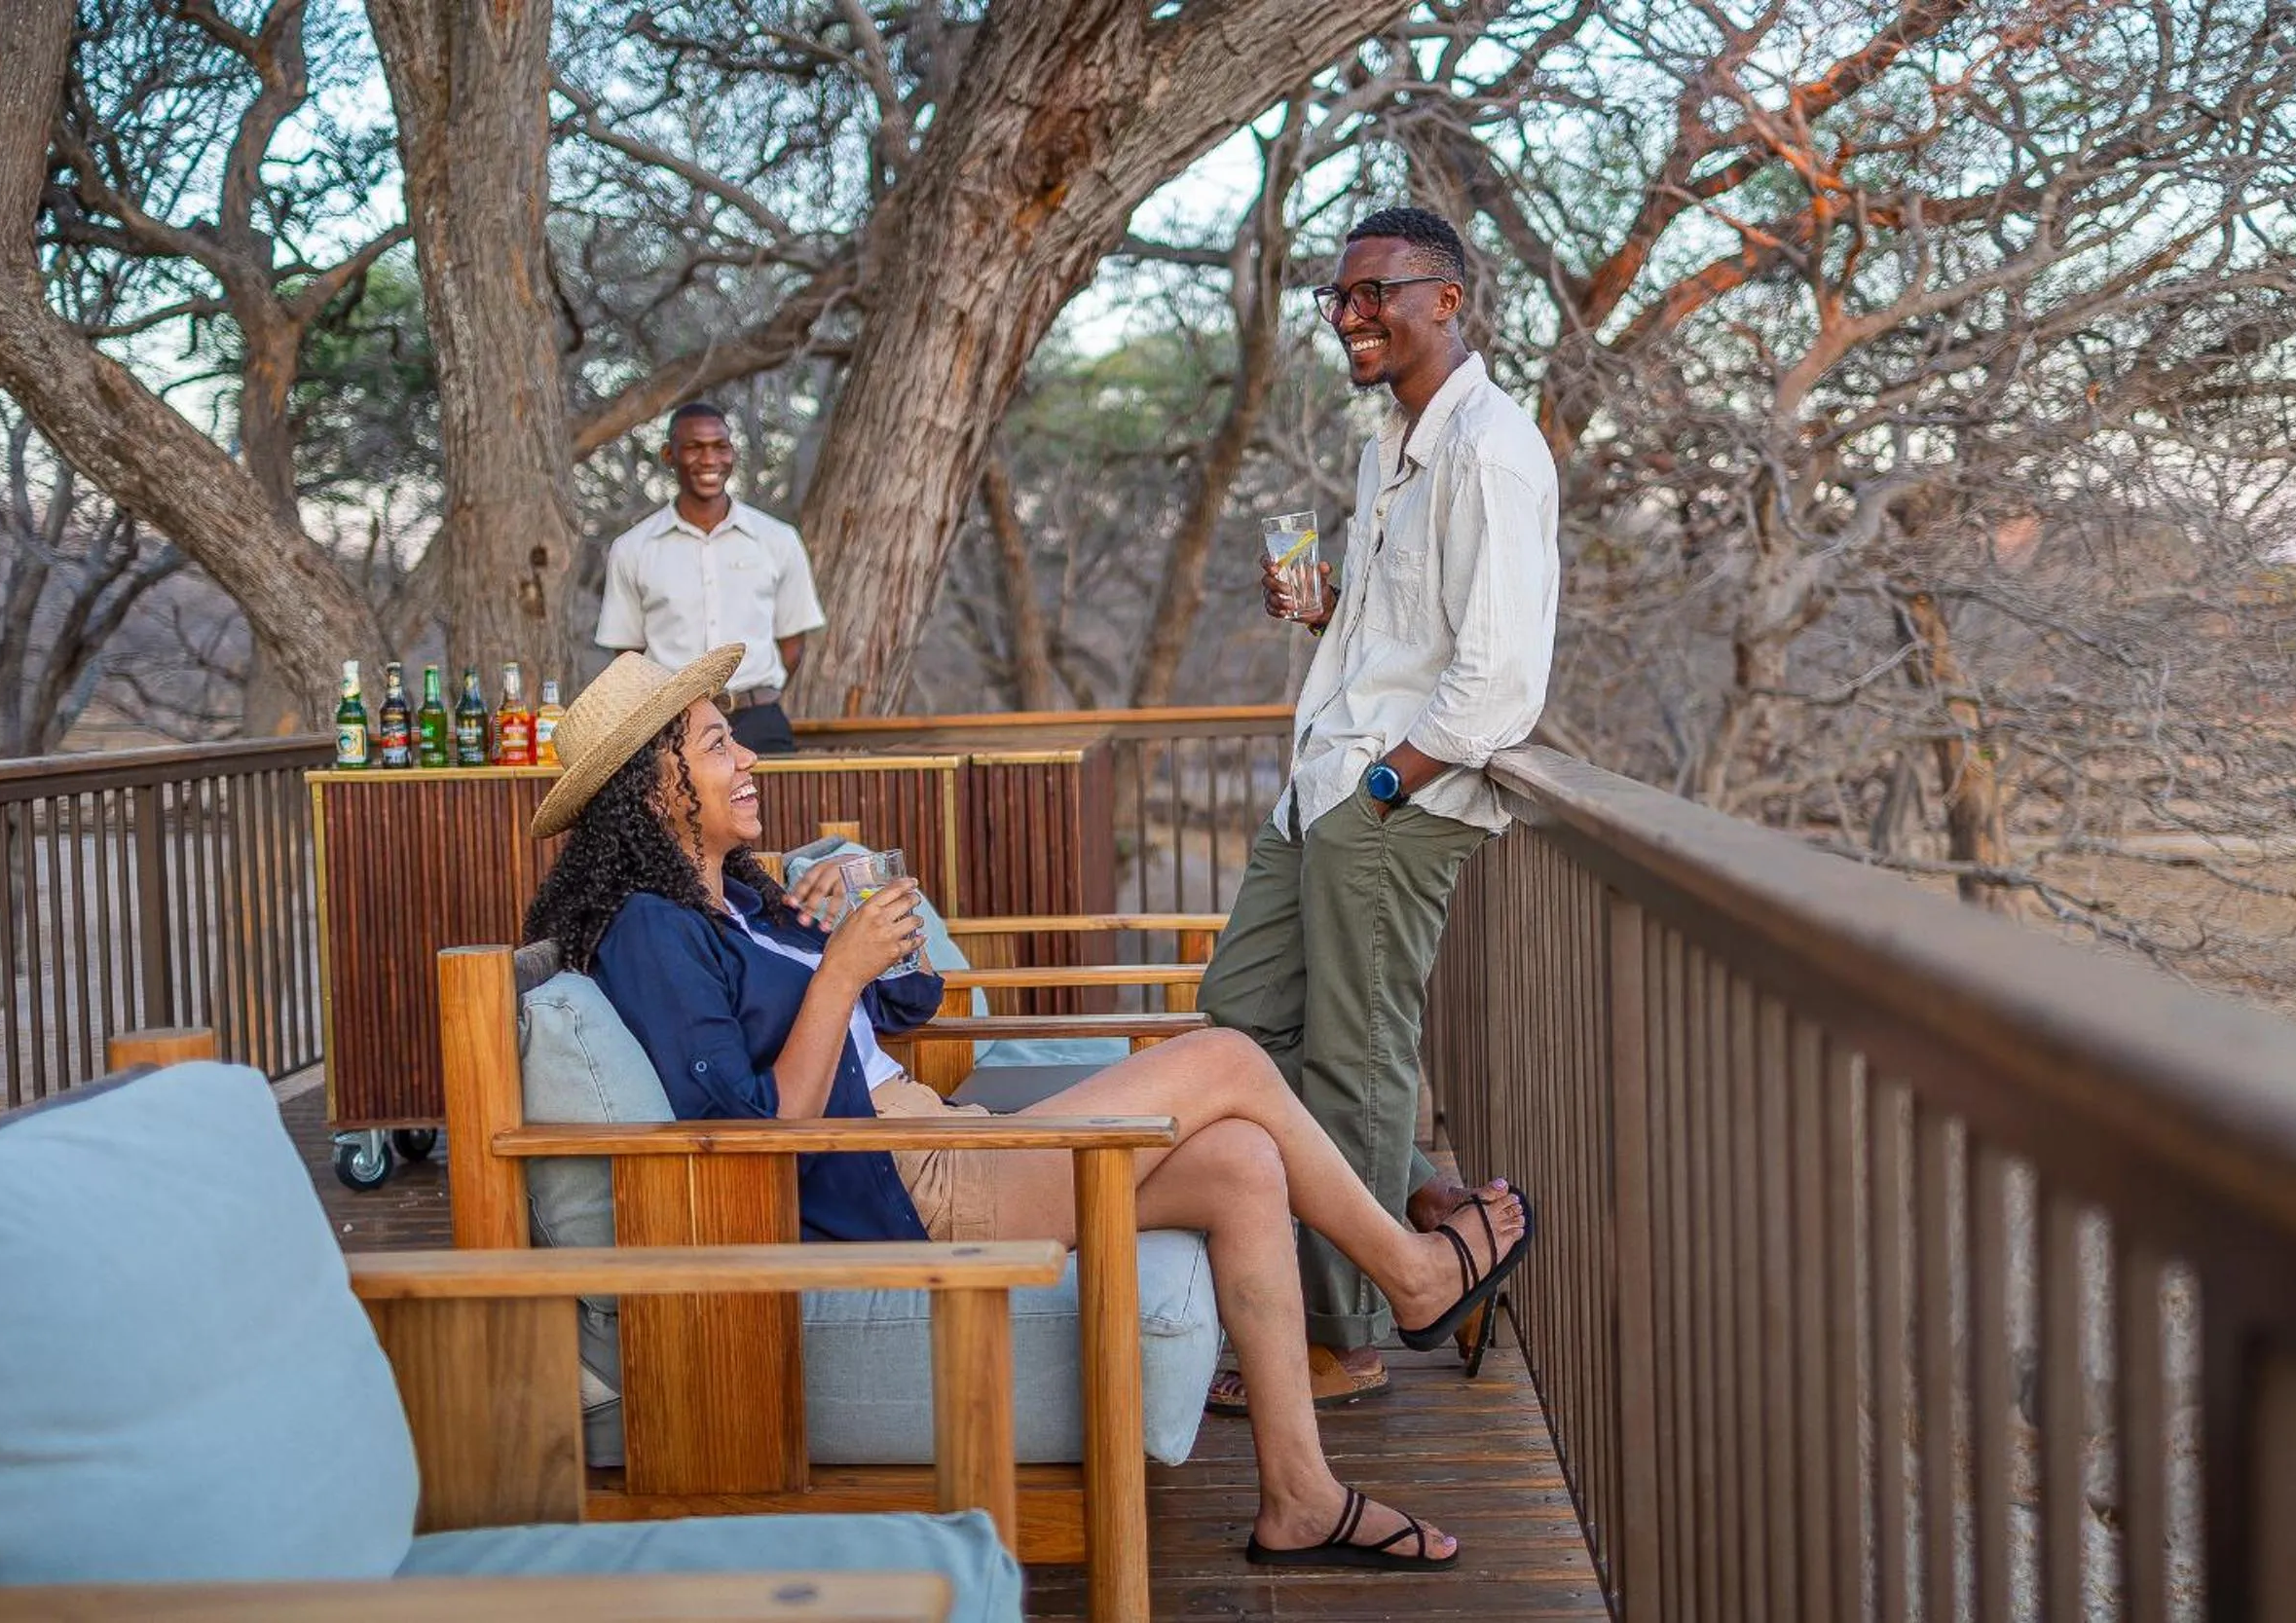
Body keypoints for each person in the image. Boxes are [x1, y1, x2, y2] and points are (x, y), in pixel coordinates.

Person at [522, 646, 1535, 1570]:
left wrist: (853, 929)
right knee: (1226, 1057)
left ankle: (1301, 1496)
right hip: (895, 1189)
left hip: (935, 1140)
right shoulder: (650, 930)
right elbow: (750, 1136)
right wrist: (834, 973)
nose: (748, 756)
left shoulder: (739, 901)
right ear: (651, 788)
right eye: (715, 745)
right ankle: (1410, 1275)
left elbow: (908, 1005)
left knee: (1241, 1161)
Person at [1197, 206, 1561, 1412]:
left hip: (1392, 796)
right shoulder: (1390, 445)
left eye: (1374, 293)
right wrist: (1326, 607)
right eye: (1338, 298)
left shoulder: (1491, 451)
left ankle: (1342, 1336)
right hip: (1326, 782)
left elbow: (1497, 679)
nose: (1350, 315)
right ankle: (1433, 1205)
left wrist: (1387, 785)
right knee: (1241, 1019)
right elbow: (1404, 627)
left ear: (1444, 300)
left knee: (1355, 1061)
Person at [595, 401, 824, 755]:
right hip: (671, 725)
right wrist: (675, 704)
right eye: (694, 447)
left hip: (758, 721)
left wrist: (749, 693)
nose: (709, 459)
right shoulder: (633, 548)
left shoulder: (778, 539)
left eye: (720, 446)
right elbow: (629, 655)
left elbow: (792, 647)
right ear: (669, 455)